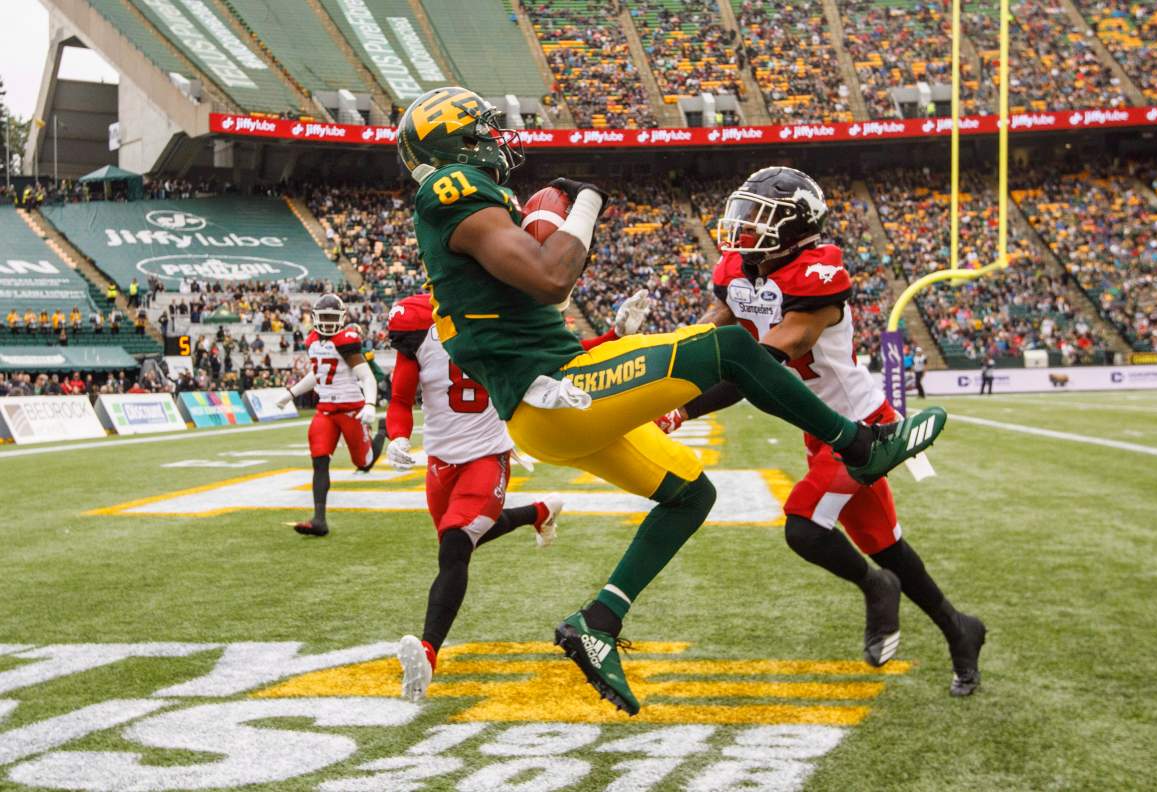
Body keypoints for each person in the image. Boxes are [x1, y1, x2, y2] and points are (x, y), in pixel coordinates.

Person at [397, 86, 947, 714]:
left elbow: (518, 307)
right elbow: (553, 277)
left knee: (692, 492)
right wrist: (586, 205)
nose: (496, 140)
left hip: (552, 405)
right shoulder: (453, 189)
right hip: (558, 394)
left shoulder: (465, 220)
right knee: (732, 348)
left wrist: (554, 234)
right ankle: (863, 444)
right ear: (455, 145)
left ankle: (596, 623)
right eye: (481, 131)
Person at [656, 167, 985, 696]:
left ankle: (877, 589)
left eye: (760, 217)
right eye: (743, 212)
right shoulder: (739, 273)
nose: (743, 227)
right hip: (821, 433)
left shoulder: (818, 274)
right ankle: (960, 630)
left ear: (798, 226)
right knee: (887, 545)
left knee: (804, 527)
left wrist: (698, 383)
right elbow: (714, 344)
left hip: (862, 429)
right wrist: (668, 390)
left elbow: (774, 351)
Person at [385, 291, 573, 701]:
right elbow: (400, 399)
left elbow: (554, 356)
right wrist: (397, 437)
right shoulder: (420, 330)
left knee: (455, 544)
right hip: (441, 463)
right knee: (461, 541)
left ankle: (429, 652)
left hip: (487, 455)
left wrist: (612, 336)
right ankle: (539, 512)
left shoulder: (496, 316)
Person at [275, 294, 387, 537]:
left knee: (363, 462)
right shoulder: (313, 341)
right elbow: (318, 372)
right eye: (323, 317)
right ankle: (319, 520)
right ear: (315, 318)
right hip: (325, 409)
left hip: (350, 409)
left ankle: (382, 432)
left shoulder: (346, 340)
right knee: (319, 460)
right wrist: (291, 393)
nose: (326, 323)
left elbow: (366, 377)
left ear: (342, 318)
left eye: (331, 318)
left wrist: (369, 404)